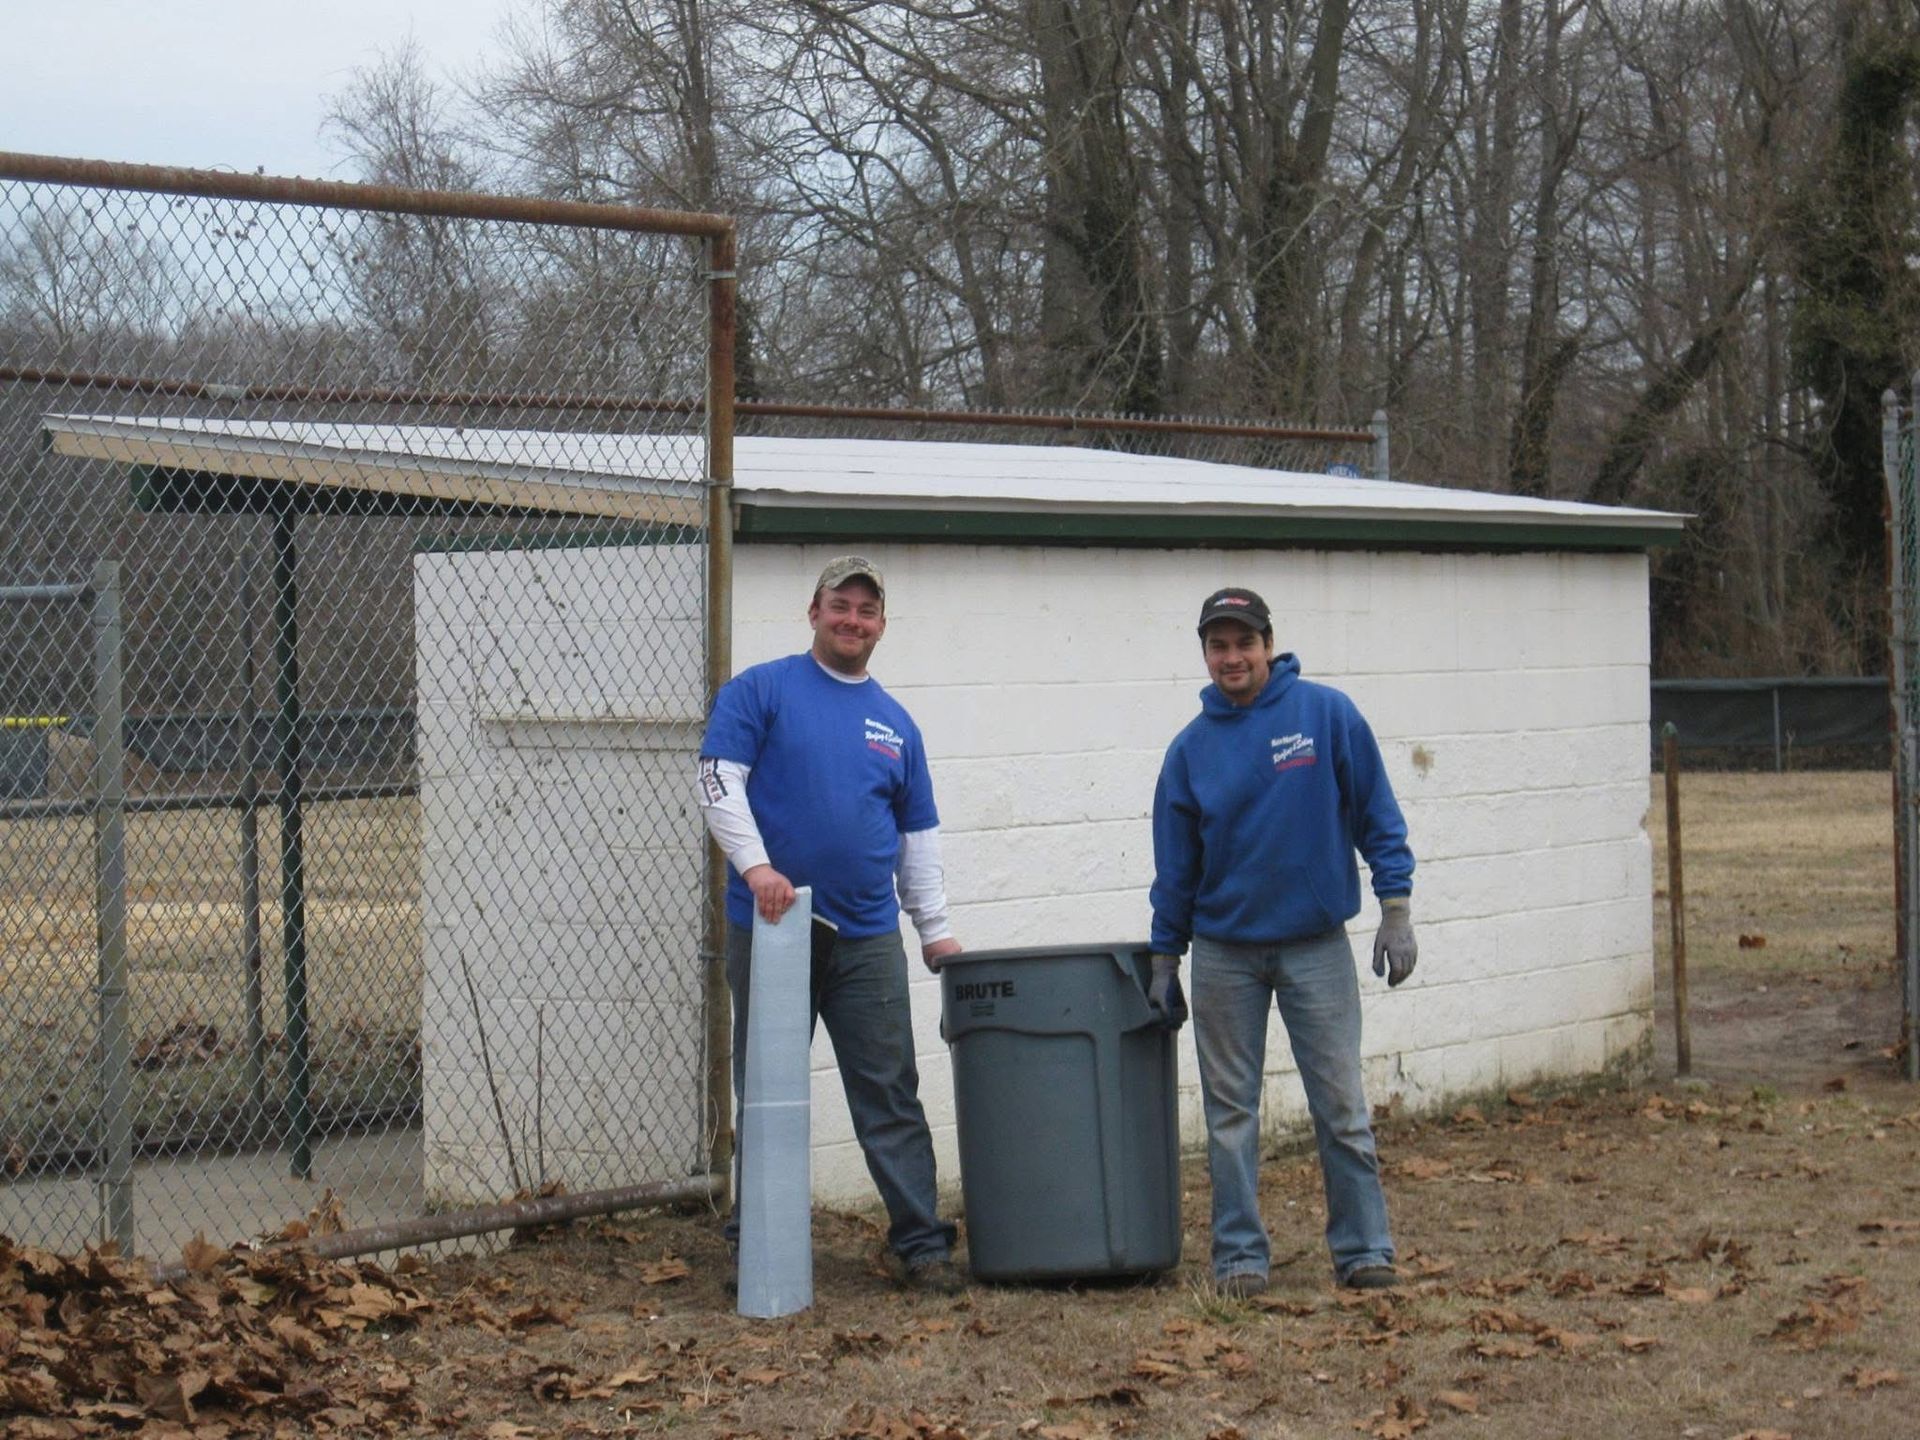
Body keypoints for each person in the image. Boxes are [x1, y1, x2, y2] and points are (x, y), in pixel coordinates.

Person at [697, 555, 965, 1294]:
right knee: (770, 1088)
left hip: (869, 934)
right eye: (839, 605)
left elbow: (919, 837)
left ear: (881, 624)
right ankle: (758, 1247)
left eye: (866, 610)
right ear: (812, 612)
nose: (853, 620)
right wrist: (756, 868)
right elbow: (718, 779)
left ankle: (922, 1244)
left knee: (890, 1089)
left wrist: (933, 929)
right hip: (775, 926)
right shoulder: (762, 691)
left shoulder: (896, 724)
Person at [1148, 586, 1417, 1299]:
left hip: (1314, 947)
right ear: (1205, 653)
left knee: (1342, 1106)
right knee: (1230, 1115)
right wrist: (1163, 958)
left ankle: (1364, 1250)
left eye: (1244, 642)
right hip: (1223, 955)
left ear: (1269, 643)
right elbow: (1175, 869)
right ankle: (1239, 1258)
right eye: (1218, 645)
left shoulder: (1326, 717)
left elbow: (1377, 816)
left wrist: (1396, 906)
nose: (1232, 657)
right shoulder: (1189, 752)